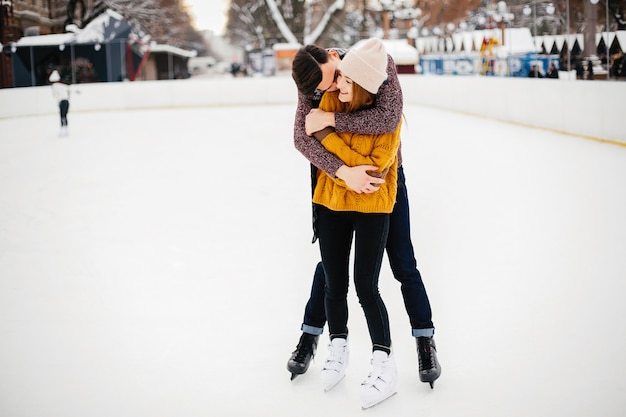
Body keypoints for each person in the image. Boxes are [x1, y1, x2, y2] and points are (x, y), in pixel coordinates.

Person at [288, 40, 441, 390]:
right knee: (331, 265)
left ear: (333, 55)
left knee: (402, 260)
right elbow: (301, 137)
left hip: (381, 175)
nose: (327, 90)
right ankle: (312, 336)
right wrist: (342, 171)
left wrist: (330, 120)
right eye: (319, 89)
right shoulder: (311, 79)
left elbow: (388, 118)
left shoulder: (373, 63)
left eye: (331, 80)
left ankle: (425, 339)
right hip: (334, 179)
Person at [308, 37, 401, 408]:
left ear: (362, 84)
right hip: (331, 199)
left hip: (372, 203)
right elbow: (313, 141)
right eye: (339, 79)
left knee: (365, 284)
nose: (337, 86)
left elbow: (373, 171)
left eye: (346, 82)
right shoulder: (332, 98)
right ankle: (338, 346)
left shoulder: (387, 118)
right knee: (334, 280)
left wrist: (331, 137)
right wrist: (346, 169)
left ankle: (384, 361)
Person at [49, 69, 70, 137]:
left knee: (62, 116)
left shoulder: (54, 86)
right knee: (64, 116)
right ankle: (66, 130)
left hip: (62, 102)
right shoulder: (63, 85)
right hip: (66, 101)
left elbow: (54, 95)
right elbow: (68, 91)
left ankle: (63, 130)